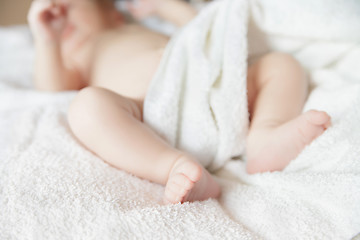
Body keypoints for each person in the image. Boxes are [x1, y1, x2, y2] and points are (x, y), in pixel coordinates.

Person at [27, 0, 331, 204]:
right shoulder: (75, 60)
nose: (60, 13)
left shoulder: (129, 28)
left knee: (281, 64)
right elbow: (53, 92)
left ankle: (265, 134)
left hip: (213, 86)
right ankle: (173, 166)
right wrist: (47, 41)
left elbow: (205, 29)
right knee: (85, 107)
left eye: (71, 4)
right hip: (148, 112)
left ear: (113, 13)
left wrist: (164, 5)